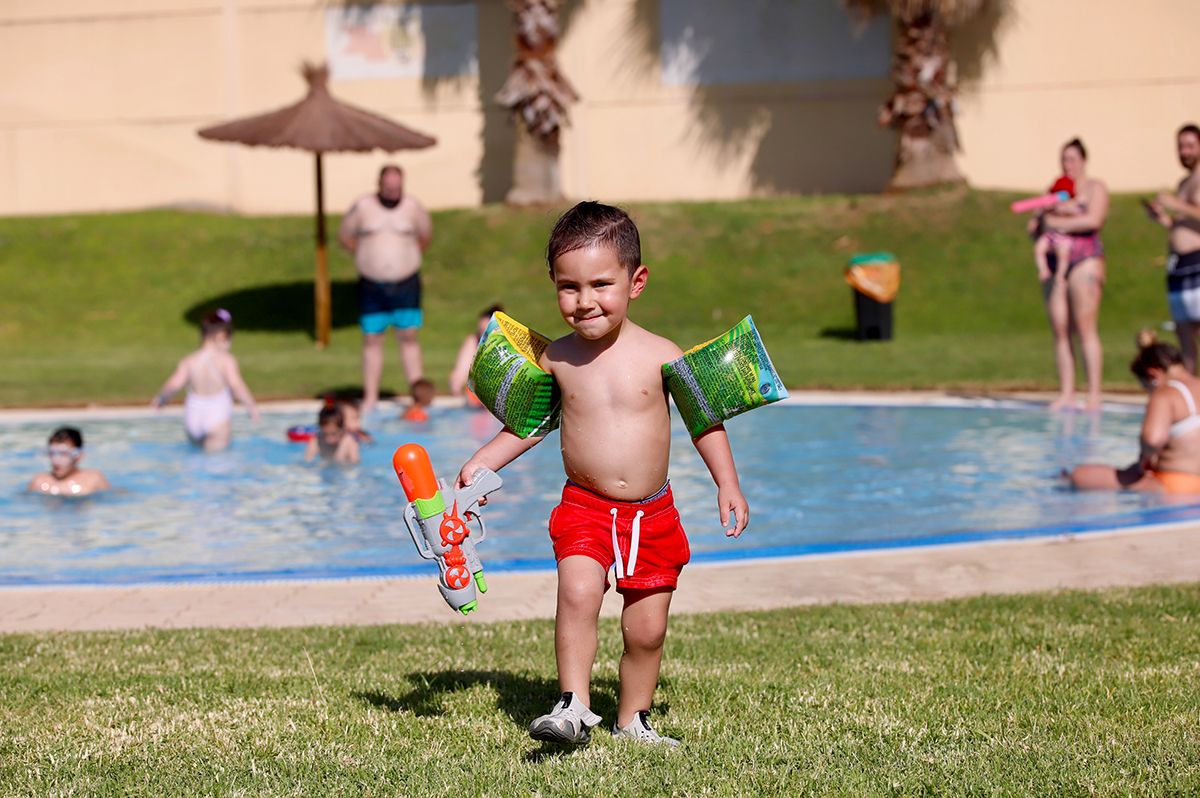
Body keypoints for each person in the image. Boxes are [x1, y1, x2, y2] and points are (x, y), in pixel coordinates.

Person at [455, 202, 749, 746]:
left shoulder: (662, 355)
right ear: (553, 285)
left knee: (647, 630)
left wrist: (726, 483)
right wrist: (482, 461)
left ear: (636, 282)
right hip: (584, 508)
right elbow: (530, 424)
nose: (584, 301)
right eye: (568, 287)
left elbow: (704, 420)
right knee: (578, 592)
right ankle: (572, 705)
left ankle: (632, 718)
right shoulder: (557, 360)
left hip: (652, 515)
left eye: (599, 284)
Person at [338, 164, 434, 416]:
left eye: (397, 187)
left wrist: (405, 258)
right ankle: (370, 397)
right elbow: (345, 236)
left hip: (406, 284)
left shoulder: (413, 207)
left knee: (408, 337)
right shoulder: (363, 206)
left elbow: (425, 236)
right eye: (388, 187)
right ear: (379, 184)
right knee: (372, 339)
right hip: (372, 286)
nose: (393, 191)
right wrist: (367, 256)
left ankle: (418, 396)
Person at [1028, 138, 1110, 412]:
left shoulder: (1095, 188)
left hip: (1084, 259)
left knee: (1085, 327)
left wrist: (1057, 221)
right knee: (1060, 329)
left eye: (1073, 159)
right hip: (1055, 261)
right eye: (1064, 159)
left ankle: (1094, 393)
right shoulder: (1054, 191)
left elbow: (1093, 220)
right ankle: (1067, 393)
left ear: (1084, 160)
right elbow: (1038, 228)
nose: (1068, 165)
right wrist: (1041, 220)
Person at [1069, 331, 1200, 494]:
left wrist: (1145, 457)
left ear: (1154, 375)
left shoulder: (1165, 393)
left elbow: (1153, 439)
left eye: (1147, 388)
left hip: (1177, 484)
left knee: (1080, 475)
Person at [152, 309, 259, 451]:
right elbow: (236, 386)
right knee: (217, 466)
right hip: (216, 418)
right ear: (222, 335)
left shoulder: (190, 361)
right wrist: (251, 407)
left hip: (193, 418)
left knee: (195, 465)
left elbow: (174, 384)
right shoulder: (225, 361)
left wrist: (161, 399)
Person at [1144, 124, 1200, 371]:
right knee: (1183, 331)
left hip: (1198, 263)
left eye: (1189, 145)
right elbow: (1182, 226)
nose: (1184, 151)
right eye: (1180, 146)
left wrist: (1175, 203)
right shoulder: (1184, 182)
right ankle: (1192, 395)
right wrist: (1162, 218)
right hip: (1179, 265)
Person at [28, 427, 110, 496]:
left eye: (64, 454)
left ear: (79, 456)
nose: (56, 461)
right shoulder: (39, 482)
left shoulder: (93, 480)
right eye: (52, 453)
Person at [449, 304, 504, 398]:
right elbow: (459, 374)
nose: (483, 338)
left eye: (487, 332)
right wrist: (456, 390)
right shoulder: (473, 341)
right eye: (481, 333)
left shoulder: (508, 345)